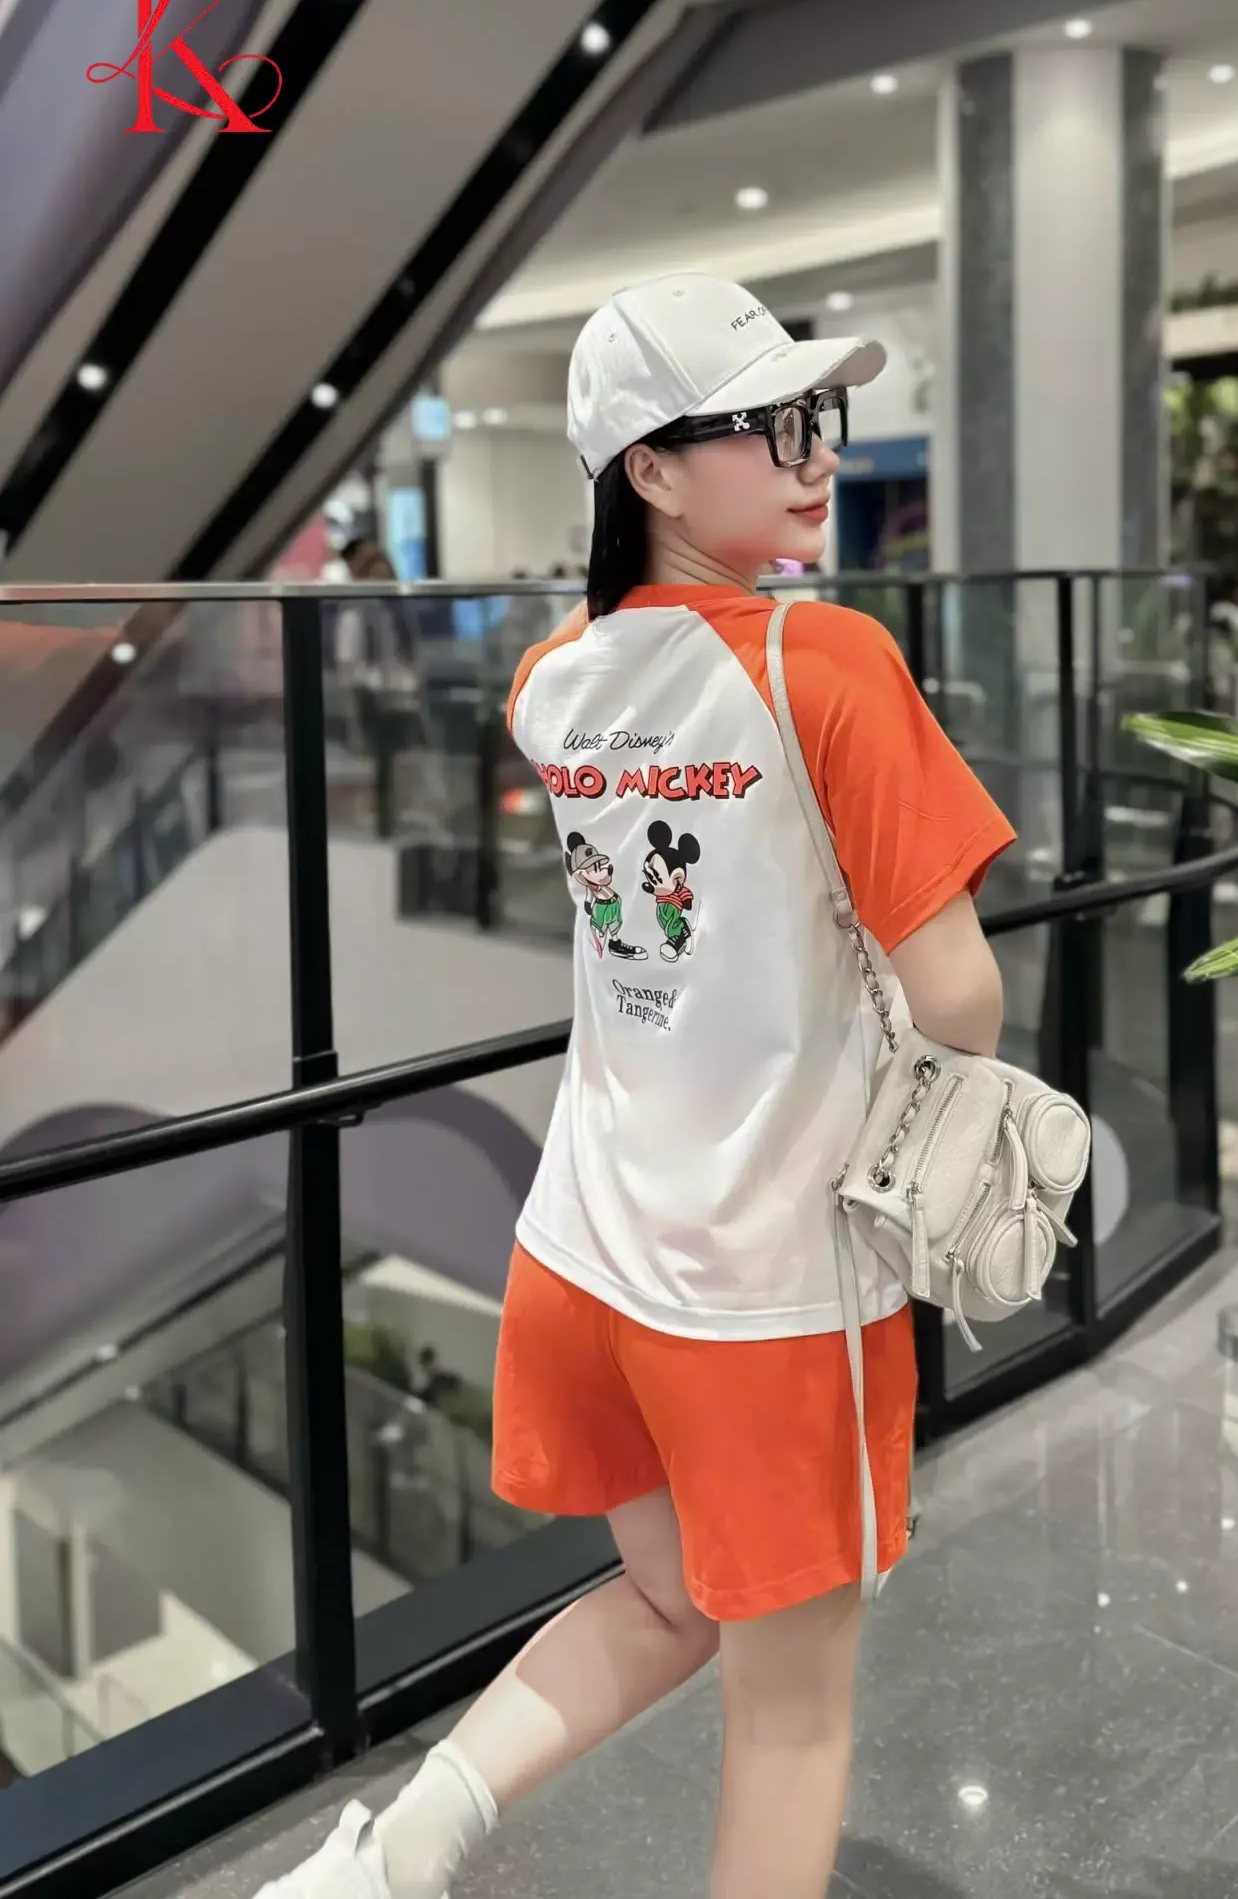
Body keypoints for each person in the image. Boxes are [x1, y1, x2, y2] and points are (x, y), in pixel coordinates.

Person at [259, 273, 1015, 1899]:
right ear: (650, 469)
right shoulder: (829, 659)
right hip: (764, 1282)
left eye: (818, 417)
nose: (818, 455)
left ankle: (384, 1864)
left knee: (671, 1601)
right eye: (771, 425)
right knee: (794, 1720)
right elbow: (961, 993)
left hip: (587, 1251)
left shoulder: (555, 679)